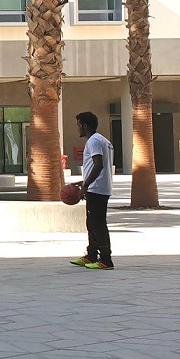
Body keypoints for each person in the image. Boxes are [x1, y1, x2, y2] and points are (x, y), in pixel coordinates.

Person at [71, 111, 115, 270]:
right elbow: (98, 168)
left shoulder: (93, 141)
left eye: (78, 125)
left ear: (85, 125)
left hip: (97, 189)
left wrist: (85, 186)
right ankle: (91, 256)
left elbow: (98, 165)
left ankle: (106, 260)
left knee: (98, 224)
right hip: (99, 187)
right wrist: (83, 182)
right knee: (92, 223)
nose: (77, 129)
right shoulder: (102, 140)